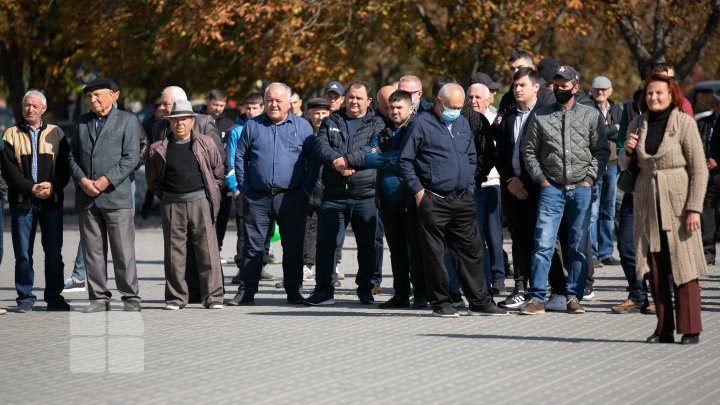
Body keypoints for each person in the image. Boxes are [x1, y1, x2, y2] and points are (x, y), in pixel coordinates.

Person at [398, 83, 506, 318]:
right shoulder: (420, 124)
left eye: (459, 107)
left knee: (472, 252)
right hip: (433, 199)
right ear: (438, 101)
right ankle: (442, 303)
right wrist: (418, 192)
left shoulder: (461, 122)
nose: (456, 111)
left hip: (462, 199)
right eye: (451, 107)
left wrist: (468, 186)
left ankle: (479, 301)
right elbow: (405, 161)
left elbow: (471, 156)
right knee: (435, 255)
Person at [620, 74, 707, 345]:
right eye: (649, 93)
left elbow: (699, 169)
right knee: (655, 269)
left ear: (672, 95)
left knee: (684, 266)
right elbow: (625, 165)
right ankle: (663, 328)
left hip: (679, 202)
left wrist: (694, 208)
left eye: (659, 93)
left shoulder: (684, 123)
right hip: (648, 201)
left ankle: (690, 328)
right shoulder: (638, 122)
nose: (653, 98)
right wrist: (628, 149)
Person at [519, 66, 607, 315]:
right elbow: (529, 151)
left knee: (578, 245)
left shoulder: (590, 115)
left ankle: (573, 296)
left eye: (564, 85)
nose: (559, 89)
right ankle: (536, 297)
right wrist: (541, 179)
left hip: (581, 187)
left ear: (575, 88)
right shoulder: (541, 116)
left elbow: (600, 151)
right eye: (556, 85)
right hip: (551, 189)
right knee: (543, 243)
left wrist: (589, 180)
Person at [228, 83, 316, 306]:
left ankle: (294, 291)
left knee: (293, 246)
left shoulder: (303, 127)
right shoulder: (253, 126)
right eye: (269, 100)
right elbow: (240, 157)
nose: (274, 104)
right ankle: (247, 291)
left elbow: (313, 161)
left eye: (278, 100)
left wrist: (305, 189)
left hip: (292, 196)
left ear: (288, 103)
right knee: (253, 246)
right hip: (257, 197)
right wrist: (244, 187)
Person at [305, 80, 385, 306]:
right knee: (326, 244)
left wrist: (348, 159)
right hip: (334, 194)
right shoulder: (332, 120)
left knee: (367, 245)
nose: (354, 101)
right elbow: (320, 146)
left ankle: (365, 289)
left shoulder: (376, 123)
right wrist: (337, 162)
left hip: (364, 194)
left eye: (359, 98)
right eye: (351, 97)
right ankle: (323, 290)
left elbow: (374, 149)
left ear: (369, 101)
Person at [68, 78, 141, 313]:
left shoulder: (128, 121)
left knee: (123, 250)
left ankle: (130, 296)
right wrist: (82, 180)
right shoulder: (81, 122)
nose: (93, 99)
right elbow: (72, 156)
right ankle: (98, 297)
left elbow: (131, 157)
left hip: (116, 195)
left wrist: (105, 180)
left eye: (97, 94)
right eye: (89, 96)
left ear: (114, 95)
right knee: (93, 251)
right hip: (88, 196)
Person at [145, 100, 225, 309]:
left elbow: (218, 172)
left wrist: (210, 194)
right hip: (172, 204)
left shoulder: (205, 143)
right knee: (174, 253)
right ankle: (176, 298)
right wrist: (166, 197)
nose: (180, 123)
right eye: (176, 120)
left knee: (208, 251)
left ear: (192, 121)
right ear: (170, 123)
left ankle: (213, 297)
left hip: (200, 202)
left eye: (184, 119)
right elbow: (152, 181)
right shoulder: (157, 149)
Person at [1, 89, 69, 313]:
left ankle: (54, 297)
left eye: (34, 106)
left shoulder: (56, 133)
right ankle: (25, 298)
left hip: (52, 201)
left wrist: (53, 186)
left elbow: (64, 167)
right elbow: (9, 171)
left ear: (43, 109)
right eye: (26, 106)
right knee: (22, 253)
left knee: (53, 253)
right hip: (23, 201)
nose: (29, 109)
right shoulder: (10, 134)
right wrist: (31, 188)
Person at [366, 90, 428, 309]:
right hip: (388, 201)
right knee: (397, 250)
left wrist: (385, 158)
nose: (394, 112)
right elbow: (368, 158)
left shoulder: (416, 129)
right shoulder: (384, 132)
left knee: (416, 249)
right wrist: (393, 159)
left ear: (411, 108)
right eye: (391, 108)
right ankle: (401, 293)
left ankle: (421, 294)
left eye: (399, 107)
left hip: (411, 201)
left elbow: (412, 160)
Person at [494, 67, 541, 309]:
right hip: (511, 187)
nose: (518, 89)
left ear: (536, 87)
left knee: (541, 239)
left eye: (522, 85)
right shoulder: (510, 115)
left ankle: (545, 288)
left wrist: (524, 180)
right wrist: (511, 180)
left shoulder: (544, 115)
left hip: (536, 187)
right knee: (518, 239)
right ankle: (520, 288)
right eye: (515, 85)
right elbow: (500, 152)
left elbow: (545, 155)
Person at [226, 92, 275, 283]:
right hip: (244, 189)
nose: (252, 112)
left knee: (267, 230)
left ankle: (260, 265)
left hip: (264, 189)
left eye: (255, 108)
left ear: (262, 108)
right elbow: (230, 160)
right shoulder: (236, 131)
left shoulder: (268, 127)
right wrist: (235, 186)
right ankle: (242, 268)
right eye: (248, 108)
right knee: (244, 230)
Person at [468, 83, 505, 294]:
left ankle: (498, 276)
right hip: (471, 185)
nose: (473, 101)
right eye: (470, 97)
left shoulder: (495, 120)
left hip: (491, 182)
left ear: (488, 99)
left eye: (477, 97)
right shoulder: (464, 120)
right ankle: (481, 277)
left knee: (493, 234)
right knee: (475, 233)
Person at [589, 75, 623, 270]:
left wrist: (606, 129)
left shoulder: (617, 110)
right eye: (597, 90)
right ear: (592, 91)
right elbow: (597, 131)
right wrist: (611, 128)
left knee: (608, 210)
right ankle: (592, 253)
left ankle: (606, 252)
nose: (600, 93)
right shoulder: (587, 108)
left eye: (604, 90)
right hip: (595, 164)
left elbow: (621, 133)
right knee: (593, 211)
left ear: (610, 91)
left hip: (613, 165)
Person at [698, 90, 720, 265]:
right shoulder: (704, 123)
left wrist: (717, 161)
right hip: (707, 175)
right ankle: (708, 252)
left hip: (717, 169)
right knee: (707, 214)